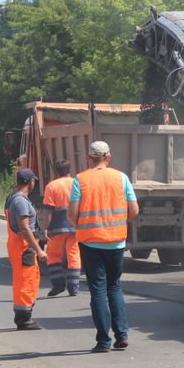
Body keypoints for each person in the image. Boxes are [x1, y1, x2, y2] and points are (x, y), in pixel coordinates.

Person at [67, 141, 140, 353]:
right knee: (114, 287)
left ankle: (103, 341)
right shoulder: (121, 178)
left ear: (89, 158)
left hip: (90, 242)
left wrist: (84, 223)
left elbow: (72, 214)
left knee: (98, 290)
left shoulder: (80, 179)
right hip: (116, 241)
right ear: (108, 157)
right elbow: (134, 211)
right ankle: (122, 335)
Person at [5, 168, 46, 330]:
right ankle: (23, 319)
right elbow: (24, 228)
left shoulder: (13, 197)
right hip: (23, 247)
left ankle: (25, 316)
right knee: (25, 281)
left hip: (20, 246)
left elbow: (27, 226)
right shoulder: (21, 201)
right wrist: (39, 249)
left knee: (29, 279)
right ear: (31, 182)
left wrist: (41, 236)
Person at [40, 159, 81, 297]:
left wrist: (45, 228)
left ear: (57, 172)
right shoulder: (77, 183)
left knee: (53, 255)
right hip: (75, 226)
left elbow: (48, 211)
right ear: (70, 170)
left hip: (57, 227)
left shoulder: (52, 186)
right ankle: (73, 287)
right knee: (73, 254)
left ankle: (58, 285)